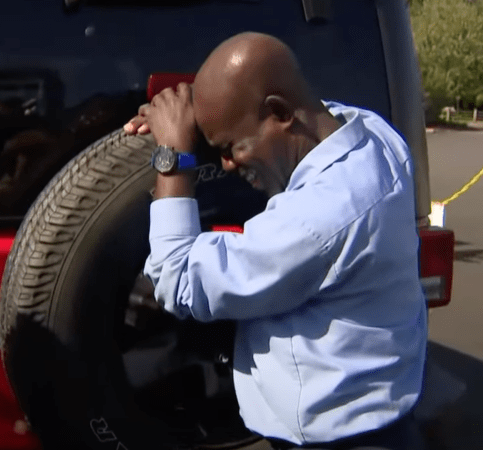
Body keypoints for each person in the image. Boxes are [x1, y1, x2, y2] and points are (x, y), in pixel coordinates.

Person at [123, 32, 428, 450]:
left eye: (232, 147)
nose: (226, 164)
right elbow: (312, 110)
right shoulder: (374, 134)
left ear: (279, 112)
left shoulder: (318, 220)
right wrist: (206, 107)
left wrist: (174, 155)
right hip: (383, 422)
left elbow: (178, 281)